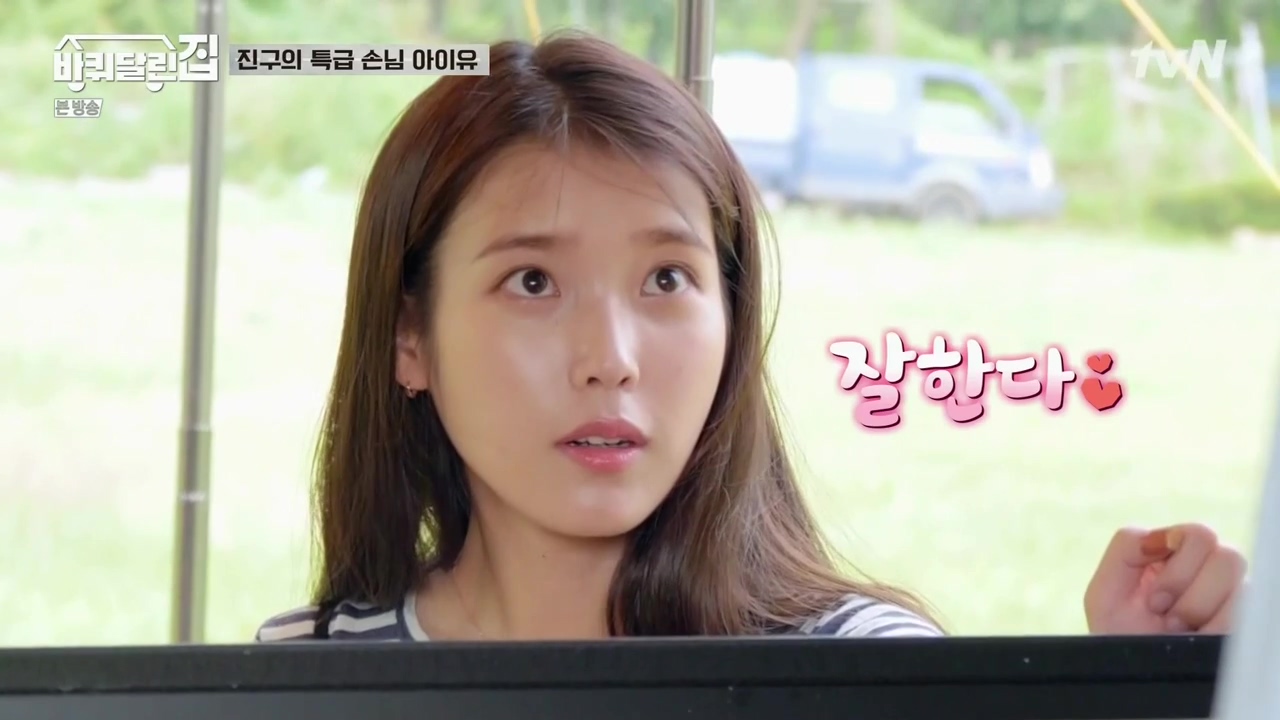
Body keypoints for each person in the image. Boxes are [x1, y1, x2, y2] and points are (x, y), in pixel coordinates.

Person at [256, 33, 1247, 642]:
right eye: (532, 282)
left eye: (666, 279)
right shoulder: (309, 672)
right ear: (410, 337)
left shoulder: (867, 673)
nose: (611, 359)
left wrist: (1141, 689)